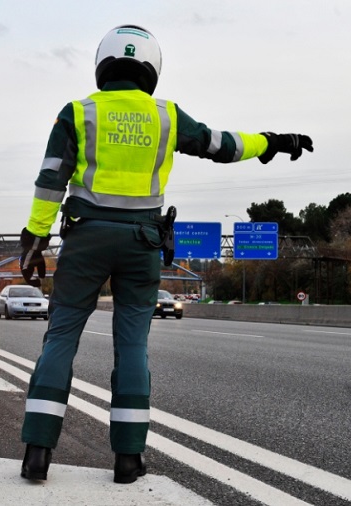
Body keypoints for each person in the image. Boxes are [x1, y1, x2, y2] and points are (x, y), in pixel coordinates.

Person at [19, 24, 313, 484]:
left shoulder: (78, 112)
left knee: (60, 339)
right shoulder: (166, 116)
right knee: (132, 347)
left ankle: (38, 452)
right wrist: (272, 142)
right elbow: (221, 144)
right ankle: (128, 460)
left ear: (103, 65)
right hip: (142, 245)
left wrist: (34, 241)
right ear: (151, 68)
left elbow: (51, 179)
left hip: (86, 240)